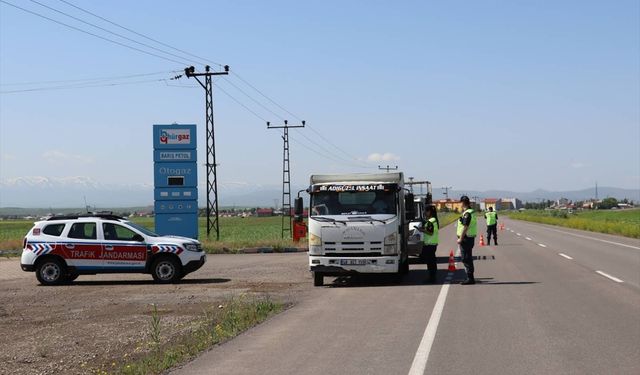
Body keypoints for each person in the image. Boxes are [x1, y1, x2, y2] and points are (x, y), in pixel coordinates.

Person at [456, 196, 477, 285]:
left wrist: (460, 238)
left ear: (463, 203)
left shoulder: (467, 214)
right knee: (468, 257)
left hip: (466, 238)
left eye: (460, 203)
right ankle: (470, 277)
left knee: (466, 258)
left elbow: (465, 227)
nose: (459, 204)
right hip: (469, 237)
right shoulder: (471, 212)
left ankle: (470, 278)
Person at [418, 205, 439, 283]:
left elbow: (430, 232)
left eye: (426, 211)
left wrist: (422, 230)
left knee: (430, 263)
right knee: (432, 262)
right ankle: (432, 277)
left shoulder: (431, 221)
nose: (425, 213)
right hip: (432, 244)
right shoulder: (434, 220)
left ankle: (432, 278)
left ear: (430, 211)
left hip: (430, 244)